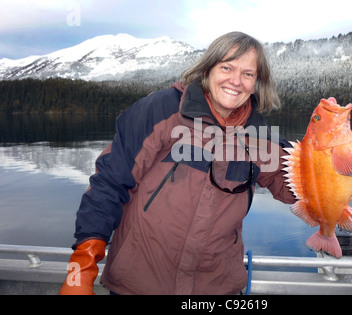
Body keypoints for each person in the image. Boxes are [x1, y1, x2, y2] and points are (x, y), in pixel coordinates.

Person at [59, 32, 296, 295]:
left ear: (257, 84)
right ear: (208, 69)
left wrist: (331, 162)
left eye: (248, 74)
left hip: (215, 289)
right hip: (138, 284)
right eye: (226, 67)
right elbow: (110, 183)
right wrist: (82, 265)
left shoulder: (261, 137)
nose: (235, 81)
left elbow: (297, 190)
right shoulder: (162, 109)